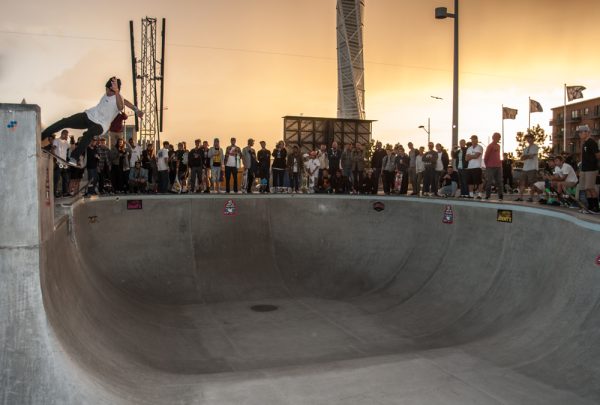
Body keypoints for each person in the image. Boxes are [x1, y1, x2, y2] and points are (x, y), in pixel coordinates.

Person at [41, 77, 143, 166]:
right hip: (89, 116)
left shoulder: (118, 98)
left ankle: (74, 157)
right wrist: (136, 109)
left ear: (116, 91)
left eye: (110, 91)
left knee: (89, 133)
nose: (107, 92)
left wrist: (116, 92)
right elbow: (128, 102)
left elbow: (121, 106)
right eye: (106, 89)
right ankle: (41, 136)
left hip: (100, 125)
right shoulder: (110, 92)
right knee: (65, 121)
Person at [578, 124, 600, 213]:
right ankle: (590, 207)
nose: (579, 134)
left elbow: (598, 156)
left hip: (591, 169)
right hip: (585, 169)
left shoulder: (592, 142)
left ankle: (596, 208)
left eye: (581, 132)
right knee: (586, 188)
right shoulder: (585, 143)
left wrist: (597, 168)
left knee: (591, 188)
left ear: (587, 132)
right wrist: (581, 169)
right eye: (579, 132)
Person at [516, 134, 539, 202]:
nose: (528, 140)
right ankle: (520, 197)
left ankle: (531, 198)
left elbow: (531, 156)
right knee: (522, 183)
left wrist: (526, 156)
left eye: (529, 138)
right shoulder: (526, 148)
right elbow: (522, 158)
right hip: (525, 168)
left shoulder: (535, 147)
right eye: (527, 139)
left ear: (533, 139)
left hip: (532, 168)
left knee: (532, 183)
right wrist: (527, 156)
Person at [483, 132, 503, 201]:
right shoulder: (490, 146)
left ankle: (500, 196)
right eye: (497, 137)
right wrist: (487, 165)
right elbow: (486, 156)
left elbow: (498, 155)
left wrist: (499, 163)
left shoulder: (498, 146)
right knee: (489, 181)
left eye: (499, 137)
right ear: (494, 138)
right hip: (490, 167)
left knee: (499, 182)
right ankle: (487, 196)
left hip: (498, 166)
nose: (499, 139)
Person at [52, 130, 70, 197]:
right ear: (62, 134)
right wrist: (54, 159)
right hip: (58, 162)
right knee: (56, 179)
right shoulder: (56, 140)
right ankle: (54, 193)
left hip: (64, 163)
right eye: (65, 134)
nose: (66, 136)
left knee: (65, 178)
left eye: (67, 135)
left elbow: (72, 147)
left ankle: (65, 192)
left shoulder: (66, 142)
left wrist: (72, 139)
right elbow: (53, 149)